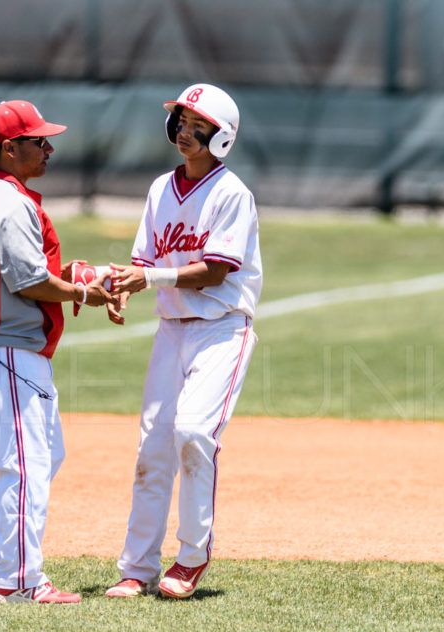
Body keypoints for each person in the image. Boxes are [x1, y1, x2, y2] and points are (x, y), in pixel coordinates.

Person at [0, 100, 115, 604]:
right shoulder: (7, 201)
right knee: (25, 463)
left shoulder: (8, 197)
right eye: (39, 140)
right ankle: (19, 581)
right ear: (9, 148)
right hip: (6, 348)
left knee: (44, 454)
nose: (49, 148)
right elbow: (30, 279)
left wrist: (84, 275)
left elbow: (32, 268)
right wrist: (84, 292)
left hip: (12, 350)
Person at [104, 83, 262, 599]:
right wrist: (119, 286)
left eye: (198, 124)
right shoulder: (159, 189)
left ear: (222, 137)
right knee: (152, 449)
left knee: (193, 433)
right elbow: (145, 263)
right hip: (172, 331)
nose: (185, 131)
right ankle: (137, 566)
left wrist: (147, 281)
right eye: (180, 120)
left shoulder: (231, 193)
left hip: (221, 329)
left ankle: (192, 556)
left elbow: (214, 273)